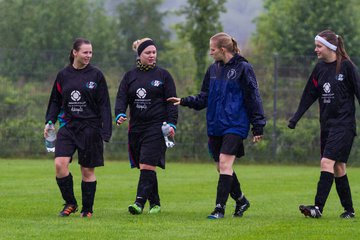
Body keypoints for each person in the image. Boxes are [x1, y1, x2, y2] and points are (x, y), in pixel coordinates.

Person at [168, 32, 266, 219]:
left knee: (224, 163)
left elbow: (253, 97)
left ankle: (219, 209)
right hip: (215, 124)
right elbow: (204, 97)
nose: (210, 53)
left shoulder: (244, 68)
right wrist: (183, 100)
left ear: (222, 49)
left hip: (236, 124)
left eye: (212, 49)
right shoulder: (212, 70)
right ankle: (241, 200)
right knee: (221, 167)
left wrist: (258, 125)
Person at [288, 29, 360, 219]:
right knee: (338, 167)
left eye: (319, 46)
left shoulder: (347, 67)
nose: (316, 50)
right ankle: (349, 211)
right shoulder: (319, 69)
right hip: (326, 125)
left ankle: (317, 208)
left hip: (344, 125)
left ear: (330, 47)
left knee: (326, 162)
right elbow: (309, 95)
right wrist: (296, 117)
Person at [44, 38, 112, 218]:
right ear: (75, 53)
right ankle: (71, 203)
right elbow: (55, 101)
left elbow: (104, 104)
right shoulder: (63, 75)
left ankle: (87, 210)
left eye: (90, 52)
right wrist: (49, 121)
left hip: (90, 128)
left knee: (87, 171)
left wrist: (106, 130)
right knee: (60, 165)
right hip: (68, 127)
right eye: (85, 52)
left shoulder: (96, 75)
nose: (89, 55)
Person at [115, 38, 178, 215]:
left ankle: (139, 203)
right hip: (136, 128)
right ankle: (155, 203)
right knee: (144, 166)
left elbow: (172, 103)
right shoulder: (130, 76)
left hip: (157, 127)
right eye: (148, 53)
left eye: (154, 52)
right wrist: (120, 114)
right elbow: (121, 98)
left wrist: (172, 123)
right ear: (139, 55)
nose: (152, 56)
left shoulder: (164, 76)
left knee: (147, 163)